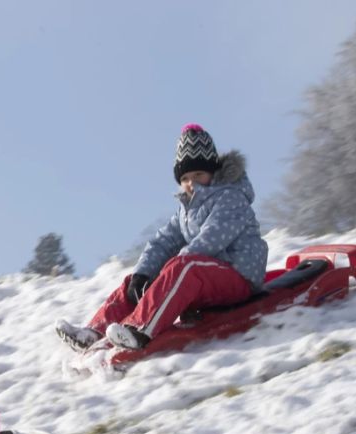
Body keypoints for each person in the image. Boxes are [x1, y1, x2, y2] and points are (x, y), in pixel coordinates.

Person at [56, 123, 268, 351]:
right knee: (136, 282)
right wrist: (144, 275)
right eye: (186, 178)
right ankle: (93, 333)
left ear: (212, 172)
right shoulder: (186, 211)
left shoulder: (230, 197)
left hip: (239, 278)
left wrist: (169, 272)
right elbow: (163, 241)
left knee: (184, 267)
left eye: (199, 174)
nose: (192, 183)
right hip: (207, 278)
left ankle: (139, 329)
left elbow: (212, 239)